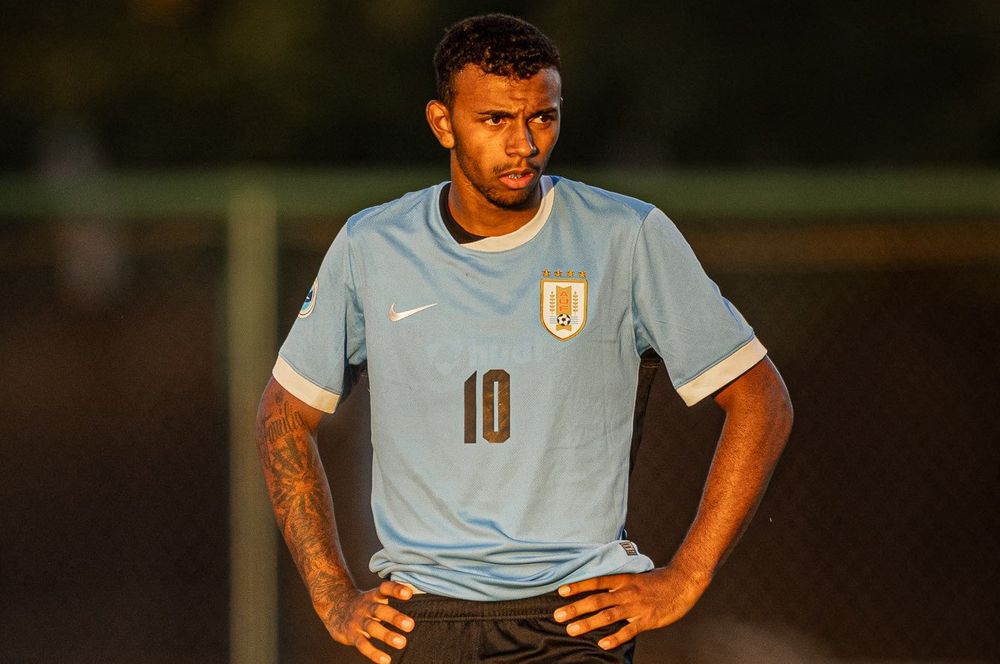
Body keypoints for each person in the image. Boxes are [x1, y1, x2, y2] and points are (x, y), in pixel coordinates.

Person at [256, 13, 792, 664]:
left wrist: (688, 574)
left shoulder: (627, 237)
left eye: (542, 117)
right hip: (421, 619)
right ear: (442, 122)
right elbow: (284, 414)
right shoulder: (373, 246)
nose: (524, 145)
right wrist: (331, 591)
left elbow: (761, 398)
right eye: (495, 120)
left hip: (575, 618)